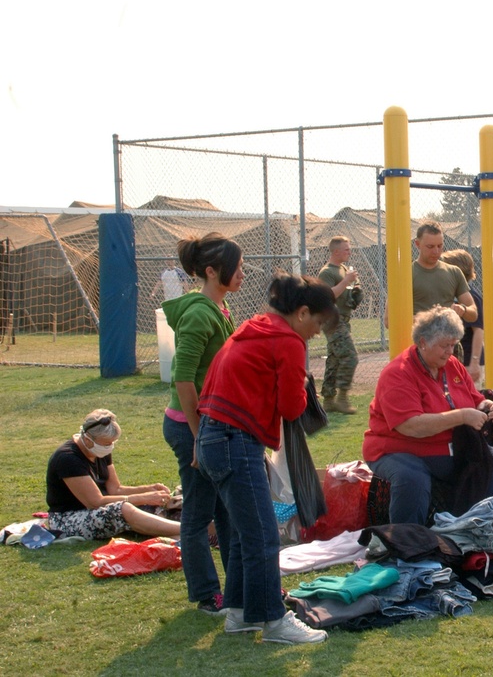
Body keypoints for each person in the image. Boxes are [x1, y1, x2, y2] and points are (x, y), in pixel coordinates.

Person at [196, 272, 334, 645]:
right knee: (262, 535)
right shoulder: (288, 340)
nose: (317, 333)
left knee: (245, 533)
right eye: (318, 323)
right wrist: (305, 388)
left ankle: (241, 612)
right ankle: (274, 620)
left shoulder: (257, 326)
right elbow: (291, 407)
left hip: (213, 437)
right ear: (302, 313)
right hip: (235, 438)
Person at [363, 306, 493, 525]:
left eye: (453, 345)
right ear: (422, 342)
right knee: (412, 477)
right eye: (444, 346)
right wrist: (461, 416)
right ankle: (408, 545)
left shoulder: (452, 365)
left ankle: (492, 530)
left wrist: (485, 404)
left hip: (449, 448)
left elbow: (473, 396)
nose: (450, 351)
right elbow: (411, 426)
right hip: (397, 448)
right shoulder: (398, 373)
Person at [162, 232, 244, 615]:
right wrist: (198, 440)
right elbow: (183, 378)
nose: (242, 273)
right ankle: (207, 593)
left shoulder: (221, 309)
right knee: (198, 516)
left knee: (227, 512)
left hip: (212, 426)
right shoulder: (198, 313)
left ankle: (237, 589)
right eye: (236, 268)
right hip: (191, 427)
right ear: (211, 272)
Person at [46, 409, 181, 540]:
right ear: (88, 439)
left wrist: (150, 489)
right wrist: (143, 497)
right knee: (123, 509)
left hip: (97, 509)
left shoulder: (99, 450)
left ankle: (175, 532)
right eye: (106, 444)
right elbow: (95, 502)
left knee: (153, 504)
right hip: (67, 519)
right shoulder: (67, 459)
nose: (109, 447)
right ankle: (185, 530)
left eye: (112, 443)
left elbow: (116, 489)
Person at [318, 236, 360, 414]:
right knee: (350, 356)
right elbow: (327, 295)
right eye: (346, 249)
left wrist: (355, 293)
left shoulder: (343, 269)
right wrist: (346, 281)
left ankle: (328, 400)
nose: (349, 252)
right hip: (332, 320)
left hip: (343, 318)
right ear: (335, 252)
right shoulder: (327, 272)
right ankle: (342, 398)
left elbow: (344, 294)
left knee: (334, 359)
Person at [441, 248, 484, 386]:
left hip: (468, 361)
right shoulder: (451, 294)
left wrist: (474, 363)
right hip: (455, 360)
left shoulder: (470, 297)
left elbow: (478, 331)